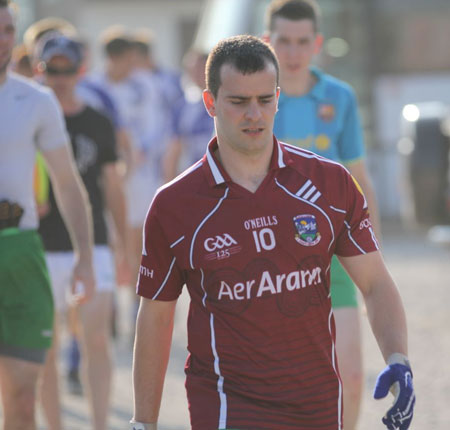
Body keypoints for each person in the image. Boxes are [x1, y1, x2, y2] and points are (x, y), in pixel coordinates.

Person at [130, 35, 415, 430]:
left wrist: (398, 359)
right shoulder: (174, 205)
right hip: (228, 405)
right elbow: (156, 317)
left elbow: (376, 283)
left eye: (265, 100)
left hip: (316, 403)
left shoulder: (330, 184)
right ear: (210, 102)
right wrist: (143, 422)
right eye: (238, 102)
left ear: (278, 99)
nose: (254, 115)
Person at [264, 1, 382, 427]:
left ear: (316, 44)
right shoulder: (254, 98)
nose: (293, 53)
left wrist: (374, 259)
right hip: (270, 256)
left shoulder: (339, 96)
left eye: (301, 42)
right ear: (267, 42)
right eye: (283, 41)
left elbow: (360, 181)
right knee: (279, 383)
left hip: (333, 251)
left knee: (349, 376)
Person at [0, 2, 95, 429]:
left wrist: (86, 258)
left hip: (21, 252)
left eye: (7, 30)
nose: (2, 39)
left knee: (22, 395)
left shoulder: (35, 100)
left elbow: (68, 183)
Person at [35, 34, 128, 430]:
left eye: (67, 69)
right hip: (39, 244)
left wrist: (124, 244)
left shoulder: (97, 121)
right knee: (46, 349)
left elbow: (112, 185)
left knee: (95, 341)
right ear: (40, 69)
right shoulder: (29, 116)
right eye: (52, 69)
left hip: (92, 245)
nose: (60, 77)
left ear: (81, 70)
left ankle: (100, 425)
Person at [162, 49, 214, 182]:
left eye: (200, 69)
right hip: (195, 179)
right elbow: (174, 150)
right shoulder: (183, 106)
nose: (196, 74)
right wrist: (170, 185)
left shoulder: (229, 101)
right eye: (192, 70)